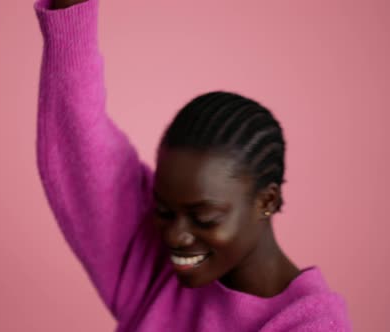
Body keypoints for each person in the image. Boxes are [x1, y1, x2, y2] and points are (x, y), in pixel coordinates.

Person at [33, 0, 352, 330]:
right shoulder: (153, 270)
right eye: (164, 211)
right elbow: (77, 138)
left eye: (204, 218)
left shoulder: (309, 325)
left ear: (267, 201)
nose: (176, 235)